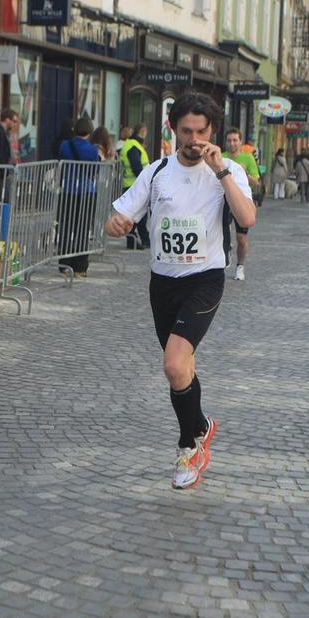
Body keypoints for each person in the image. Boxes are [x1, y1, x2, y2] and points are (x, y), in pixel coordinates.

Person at [105, 93, 255, 490]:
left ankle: (188, 447)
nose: (193, 139)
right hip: (163, 283)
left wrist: (221, 171)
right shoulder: (156, 172)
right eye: (186, 131)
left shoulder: (230, 171)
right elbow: (118, 218)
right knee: (181, 368)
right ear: (173, 129)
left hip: (205, 279)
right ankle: (201, 425)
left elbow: (247, 217)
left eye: (200, 132)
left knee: (173, 363)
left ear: (212, 131)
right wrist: (116, 225)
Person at [57, 117, 101, 278]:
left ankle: (64, 264)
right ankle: (80, 267)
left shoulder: (65, 145)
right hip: (86, 192)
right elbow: (94, 171)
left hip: (68, 191)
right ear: (89, 131)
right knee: (83, 228)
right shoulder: (92, 150)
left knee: (66, 227)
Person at [221, 128, 260, 281]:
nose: (232, 143)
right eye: (229, 140)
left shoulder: (248, 158)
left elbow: (256, 181)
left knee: (241, 238)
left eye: (235, 140)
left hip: (242, 201)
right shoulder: (221, 157)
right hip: (224, 201)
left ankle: (240, 266)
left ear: (240, 142)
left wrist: (244, 173)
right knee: (220, 232)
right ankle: (225, 252)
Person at [121, 123, 151, 249]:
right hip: (134, 185)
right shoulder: (133, 146)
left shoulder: (133, 144)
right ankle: (134, 240)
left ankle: (143, 239)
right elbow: (136, 167)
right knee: (136, 215)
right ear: (143, 132)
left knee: (139, 214)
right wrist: (145, 180)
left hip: (134, 184)